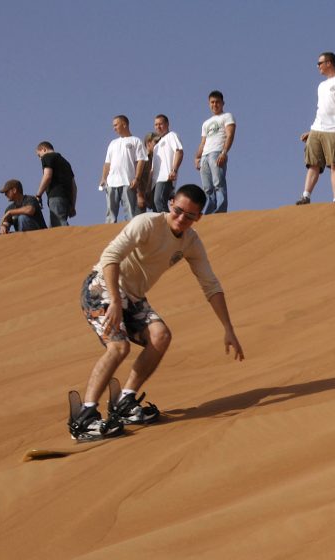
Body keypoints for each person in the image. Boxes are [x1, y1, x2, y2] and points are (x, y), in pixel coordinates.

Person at [69, 184, 245, 441]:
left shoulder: (191, 242)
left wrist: (228, 328)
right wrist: (115, 301)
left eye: (190, 216)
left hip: (134, 297)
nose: (182, 218)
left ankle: (125, 401)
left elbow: (210, 285)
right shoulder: (147, 223)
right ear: (170, 203)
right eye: (178, 210)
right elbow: (110, 257)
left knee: (160, 336)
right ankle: (85, 416)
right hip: (102, 287)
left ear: (199, 218)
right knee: (118, 347)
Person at [296, 52, 335, 205]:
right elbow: (321, 109)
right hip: (318, 128)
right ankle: (306, 196)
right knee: (313, 164)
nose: (318, 66)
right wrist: (311, 131)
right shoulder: (321, 86)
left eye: (320, 63)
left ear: (329, 63)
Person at [100, 115, 147, 223]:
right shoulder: (113, 143)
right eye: (113, 126)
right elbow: (107, 163)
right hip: (111, 182)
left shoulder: (136, 141)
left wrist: (137, 178)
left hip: (128, 181)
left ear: (124, 124)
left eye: (116, 125)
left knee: (130, 211)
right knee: (110, 213)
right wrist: (103, 178)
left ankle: (131, 235)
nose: (114, 128)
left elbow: (141, 160)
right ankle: (109, 234)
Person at [194, 91, 235, 214]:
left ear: (222, 103)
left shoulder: (227, 116)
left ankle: (220, 210)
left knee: (218, 182)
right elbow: (203, 141)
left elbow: (230, 135)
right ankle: (209, 211)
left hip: (217, 152)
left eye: (217, 102)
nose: (215, 104)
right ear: (209, 104)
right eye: (212, 102)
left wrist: (224, 152)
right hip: (205, 155)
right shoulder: (206, 123)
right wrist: (197, 157)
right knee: (207, 187)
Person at [34, 141, 78, 226]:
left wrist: (38, 195)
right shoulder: (66, 163)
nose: (40, 158)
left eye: (39, 155)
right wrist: (72, 205)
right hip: (67, 199)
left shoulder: (47, 157)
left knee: (58, 226)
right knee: (55, 226)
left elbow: (47, 176)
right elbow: (74, 186)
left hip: (56, 196)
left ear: (44, 149)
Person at [151, 114, 184, 212]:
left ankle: (168, 226)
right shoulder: (156, 145)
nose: (158, 127)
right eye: (156, 125)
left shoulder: (172, 135)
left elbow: (179, 151)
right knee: (155, 207)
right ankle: (161, 226)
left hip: (166, 177)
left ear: (167, 124)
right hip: (155, 180)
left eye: (160, 124)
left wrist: (174, 170)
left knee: (159, 201)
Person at [135, 132, 159, 213]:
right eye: (156, 142)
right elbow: (136, 177)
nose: (158, 145)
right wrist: (139, 195)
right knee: (138, 221)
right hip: (139, 195)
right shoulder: (142, 158)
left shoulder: (156, 159)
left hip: (150, 195)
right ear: (148, 143)